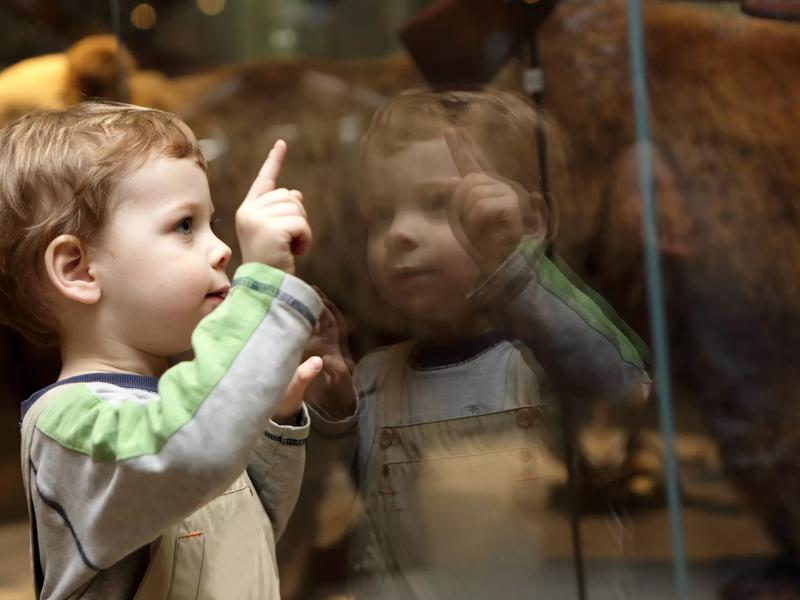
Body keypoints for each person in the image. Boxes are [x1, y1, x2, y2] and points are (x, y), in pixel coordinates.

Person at [295, 88, 652, 598]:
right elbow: (342, 502)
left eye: (440, 204)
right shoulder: (374, 378)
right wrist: (331, 403)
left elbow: (621, 385)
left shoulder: (547, 361)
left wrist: (513, 267)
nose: (399, 233)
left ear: (529, 221)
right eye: (380, 214)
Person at [0, 101, 324, 598]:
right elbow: (190, 453)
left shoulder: (182, 409)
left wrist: (273, 425)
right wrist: (266, 288)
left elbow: (252, 530)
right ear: (79, 269)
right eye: (185, 226)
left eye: (212, 223)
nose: (222, 250)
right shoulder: (69, 427)